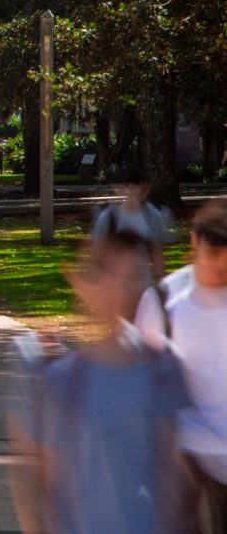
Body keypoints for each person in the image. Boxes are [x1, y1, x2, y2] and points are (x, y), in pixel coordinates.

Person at [5, 231, 191, 534]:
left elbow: (172, 471)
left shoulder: (164, 369)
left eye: (136, 276)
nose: (127, 288)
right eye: (116, 274)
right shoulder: (62, 379)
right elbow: (38, 472)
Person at [135, 201, 227, 530]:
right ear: (194, 243)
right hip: (184, 455)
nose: (219, 267)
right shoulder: (163, 302)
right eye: (212, 255)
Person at [91, 165, 174, 281]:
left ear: (143, 188)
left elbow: (156, 251)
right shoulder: (108, 216)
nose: (128, 192)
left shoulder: (152, 215)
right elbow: (98, 250)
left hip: (142, 280)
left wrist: (161, 282)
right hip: (114, 281)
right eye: (122, 188)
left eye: (133, 187)